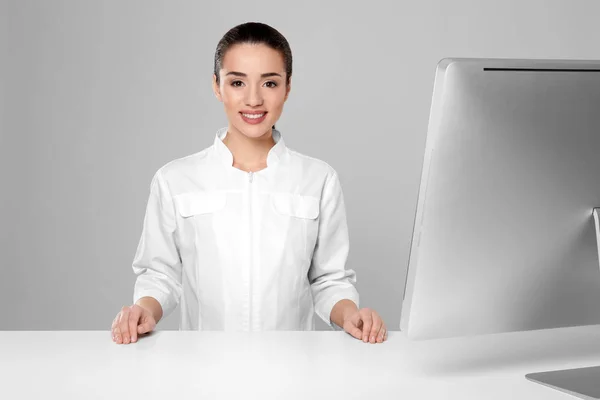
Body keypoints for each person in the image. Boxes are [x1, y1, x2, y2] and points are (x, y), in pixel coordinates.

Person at [111, 22, 387, 345]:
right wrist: (143, 309)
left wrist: (351, 315)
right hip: (204, 372)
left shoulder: (318, 180)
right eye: (238, 82)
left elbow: (329, 280)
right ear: (217, 86)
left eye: (269, 83)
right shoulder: (175, 180)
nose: (254, 99)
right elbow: (160, 275)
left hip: (293, 372)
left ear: (287, 87)